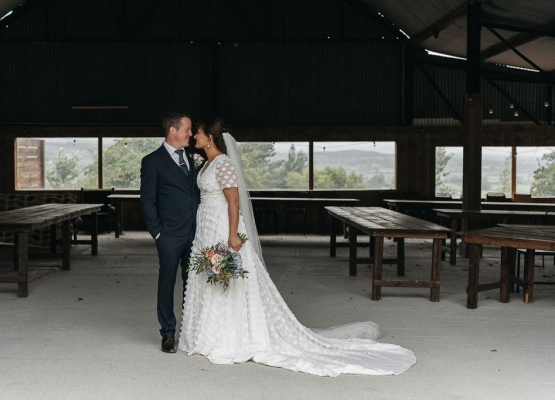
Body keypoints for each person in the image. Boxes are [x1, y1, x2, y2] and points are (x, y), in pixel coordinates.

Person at [178, 117, 416, 377]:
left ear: (209, 138)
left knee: (228, 281)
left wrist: (233, 235)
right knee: (208, 278)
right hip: (206, 226)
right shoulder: (206, 163)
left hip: (223, 227)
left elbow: (233, 202)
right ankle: (207, 332)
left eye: (197, 133)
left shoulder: (222, 163)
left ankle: (228, 336)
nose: (194, 137)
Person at [140, 112, 200, 353]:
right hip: (169, 235)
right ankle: (167, 333)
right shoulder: (152, 161)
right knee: (167, 282)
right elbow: (147, 200)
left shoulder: (195, 158)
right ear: (173, 131)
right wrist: (157, 233)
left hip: (196, 233)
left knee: (193, 282)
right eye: (187, 129)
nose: (191, 134)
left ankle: (191, 329)